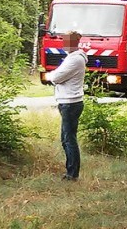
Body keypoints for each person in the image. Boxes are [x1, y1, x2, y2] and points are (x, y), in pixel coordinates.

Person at [49, 31, 87, 181]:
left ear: (74, 42)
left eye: (66, 41)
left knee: (69, 139)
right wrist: (54, 75)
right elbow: (57, 75)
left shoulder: (75, 59)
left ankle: (72, 174)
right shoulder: (71, 57)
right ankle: (70, 171)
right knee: (66, 138)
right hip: (67, 101)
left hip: (71, 103)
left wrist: (53, 76)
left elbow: (57, 77)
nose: (64, 44)